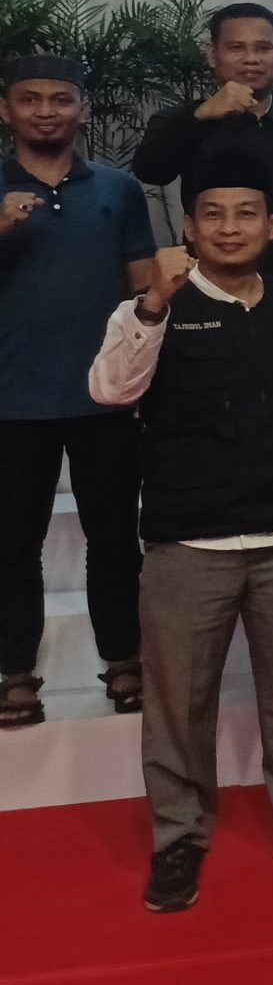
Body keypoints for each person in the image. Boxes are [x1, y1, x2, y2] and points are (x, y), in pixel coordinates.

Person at [87, 152, 273, 914]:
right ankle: (179, 835)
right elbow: (110, 389)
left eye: (245, 214)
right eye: (212, 214)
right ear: (189, 226)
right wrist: (152, 304)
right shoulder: (153, 305)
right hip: (188, 543)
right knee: (179, 705)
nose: (229, 228)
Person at [0, 56, 155, 729]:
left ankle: (124, 661)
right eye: (29, 99)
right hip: (11, 401)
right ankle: (15, 674)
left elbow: (145, 289)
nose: (45, 111)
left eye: (60, 99)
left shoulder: (119, 190)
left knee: (115, 539)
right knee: (12, 545)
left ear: (82, 109)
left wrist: (148, 376)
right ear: (5, 109)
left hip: (107, 399)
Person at [130, 2, 273, 320]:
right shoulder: (183, 120)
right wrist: (200, 116)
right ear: (212, 54)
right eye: (236, 48)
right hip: (212, 300)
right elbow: (151, 169)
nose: (251, 59)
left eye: (263, 48)